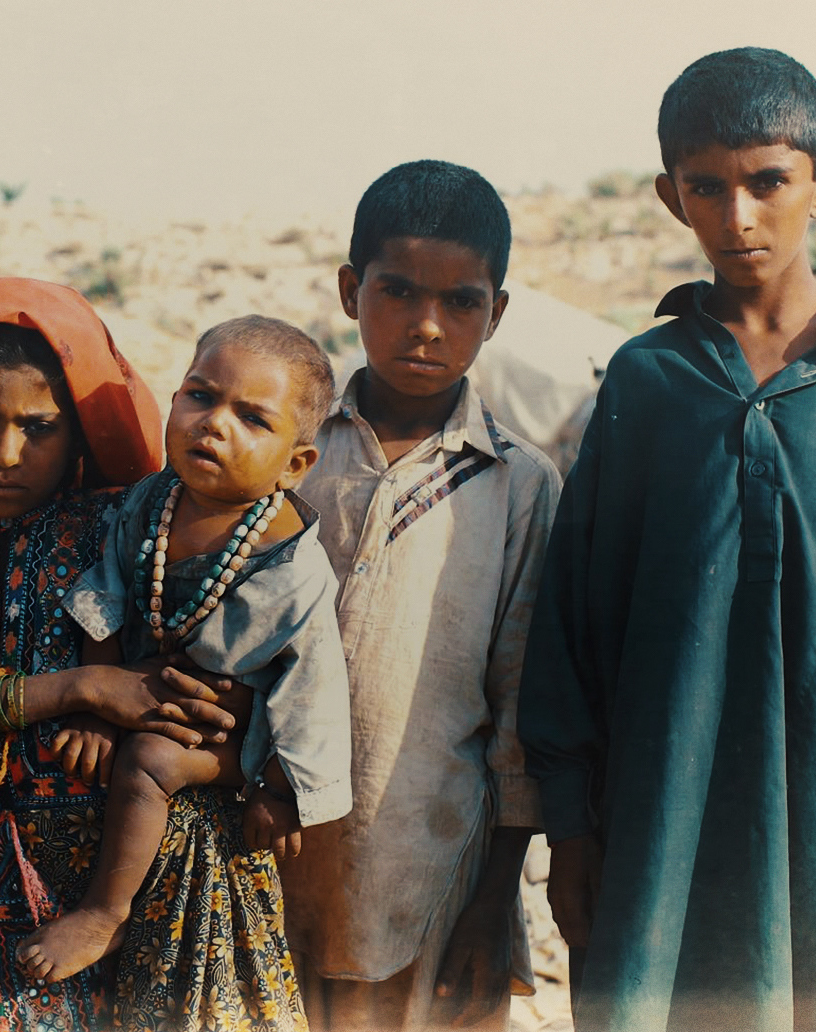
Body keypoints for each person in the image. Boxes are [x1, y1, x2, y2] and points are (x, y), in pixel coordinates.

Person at [521, 47, 816, 1031]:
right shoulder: (646, 379)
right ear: (670, 197)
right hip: (669, 823)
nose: (737, 216)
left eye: (768, 182)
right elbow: (576, 616)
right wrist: (572, 828)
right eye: (706, 187)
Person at [0, 277, 309, 1032]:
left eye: (38, 427)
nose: (5, 453)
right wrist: (85, 687)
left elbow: (239, 671)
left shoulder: (142, 527)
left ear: (79, 427)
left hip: (169, 884)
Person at [279, 159, 561, 1031]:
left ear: (496, 314)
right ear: (350, 291)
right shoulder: (288, 451)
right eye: (398, 292)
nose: (427, 325)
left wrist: (494, 904)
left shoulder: (518, 485)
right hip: (269, 862)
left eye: (461, 302)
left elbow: (518, 709)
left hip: (430, 876)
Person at [17, 314, 353, 985]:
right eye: (200, 396)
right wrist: (96, 700)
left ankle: (104, 914)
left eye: (252, 419)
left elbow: (312, 689)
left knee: (149, 759)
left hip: (234, 732)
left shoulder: (293, 568)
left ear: (295, 464)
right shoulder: (154, 502)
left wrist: (280, 791)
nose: (214, 424)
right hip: (142, 691)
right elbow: (107, 593)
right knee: (100, 746)